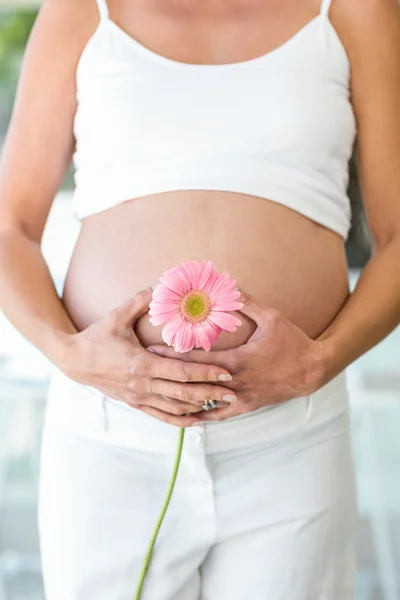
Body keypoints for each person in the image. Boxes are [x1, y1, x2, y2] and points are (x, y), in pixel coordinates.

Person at [0, 0, 399, 598]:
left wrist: (320, 360)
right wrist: (70, 354)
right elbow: (8, 227)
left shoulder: (355, 11)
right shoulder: (83, 10)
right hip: (110, 437)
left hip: (292, 438)